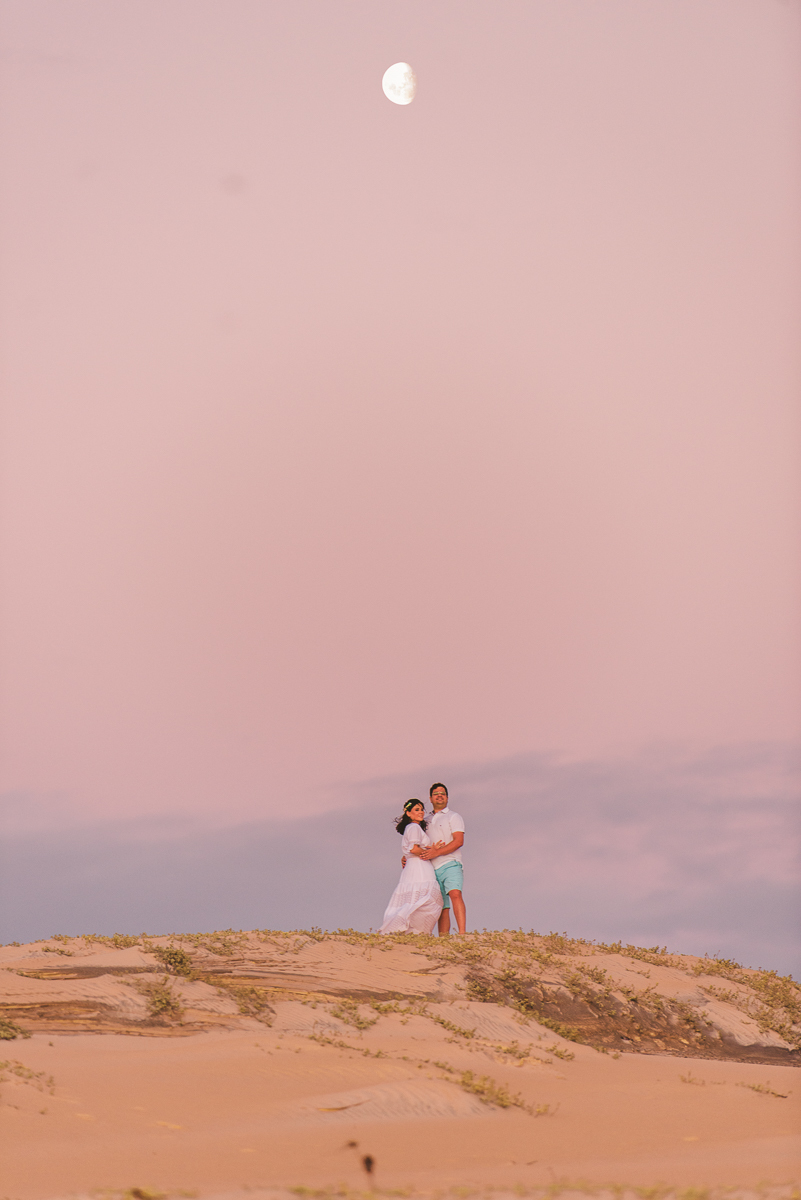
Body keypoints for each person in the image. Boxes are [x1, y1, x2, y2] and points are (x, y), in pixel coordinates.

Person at [379, 799, 443, 935]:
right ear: (408, 813)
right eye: (416, 810)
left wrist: (433, 848)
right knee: (425, 898)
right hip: (419, 868)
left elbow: (415, 847)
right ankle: (410, 930)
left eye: (421, 809)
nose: (421, 812)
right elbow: (414, 849)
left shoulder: (415, 828)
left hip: (415, 867)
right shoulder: (413, 827)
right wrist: (430, 853)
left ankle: (411, 930)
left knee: (417, 900)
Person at [419, 783, 466, 936]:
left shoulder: (454, 816)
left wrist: (437, 852)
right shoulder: (424, 820)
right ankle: (443, 939)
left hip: (451, 862)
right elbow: (417, 843)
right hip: (431, 867)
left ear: (447, 797)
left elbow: (458, 841)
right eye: (436, 793)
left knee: (455, 894)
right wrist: (406, 857)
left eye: (443, 793)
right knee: (441, 905)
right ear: (430, 798)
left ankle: (462, 933)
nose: (439, 796)